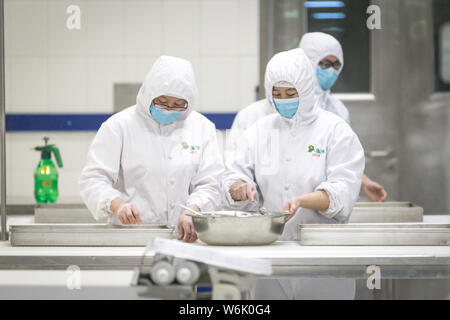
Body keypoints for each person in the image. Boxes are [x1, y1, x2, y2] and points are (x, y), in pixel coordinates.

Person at [222, 48, 365, 299]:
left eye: (291, 93)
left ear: (307, 90)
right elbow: (233, 174)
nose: (283, 100)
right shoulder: (259, 131)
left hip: (323, 254)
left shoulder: (335, 131)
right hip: (271, 252)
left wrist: (303, 200)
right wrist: (238, 187)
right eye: (277, 94)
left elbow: (343, 191)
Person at [226, 32, 387, 202]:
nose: (331, 71)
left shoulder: (336, 117)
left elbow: (339, 164)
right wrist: (239, 188)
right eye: (324, 64)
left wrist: (363, 182)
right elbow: (235, 170)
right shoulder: (255, 119)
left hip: (318, 219)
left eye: (335, 64)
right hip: (267, 218)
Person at [78, 56, 224, 242]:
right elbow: (93, 179)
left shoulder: (202, 128)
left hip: (187, 237)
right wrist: (118, 205)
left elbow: (211, 183)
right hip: (131, 237)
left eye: (178, 104)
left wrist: (192, 211)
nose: (169, 109)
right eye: (162, 102)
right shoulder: (119, 126)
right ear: (149, 94)